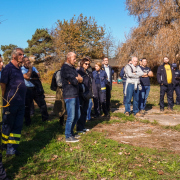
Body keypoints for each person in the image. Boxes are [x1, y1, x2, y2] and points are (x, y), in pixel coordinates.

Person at [0, 48, 27, 156]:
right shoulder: (8, 68)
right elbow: (3, 85)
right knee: (8, 126)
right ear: (14, 56)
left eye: (23, 55)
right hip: (10, 103)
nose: (22, 56)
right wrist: (5, 100)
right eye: (20, 54)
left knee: (18, 126)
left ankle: (12, 149)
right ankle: (4, 145)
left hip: (20, 103)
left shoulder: (19, 69)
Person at [61, 52, 83, 142]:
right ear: (68, 58)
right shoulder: (65, 68)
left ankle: (71, 133)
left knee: (78, 115)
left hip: (75, 94)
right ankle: (68, 135)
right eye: (74, 58)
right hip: (69, 95)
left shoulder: (72, 68)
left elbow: (80, 79)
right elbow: (74, 81)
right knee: (71, 116)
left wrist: (77, 79)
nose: (75, 60)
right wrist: (76, 79)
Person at [21, 56, 49, 126]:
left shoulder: (34, 67)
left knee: (42, 104)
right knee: (27, 106)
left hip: (36, 88)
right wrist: (30, 70)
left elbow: (38, 75)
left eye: (28, 60)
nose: (28, 61)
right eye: (26, 60)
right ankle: (28, 122)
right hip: (28, 89)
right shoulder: (22, 69)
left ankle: (45, 119)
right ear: (23, 62)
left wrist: (32, 73)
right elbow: (27, 78)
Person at [76, 58, 92, 132]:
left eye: (88, 64)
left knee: (85, 111)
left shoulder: (88, 72)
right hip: (81, 94)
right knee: (80, 111)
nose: (87, 65)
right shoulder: (79, 72)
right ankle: (79, 128)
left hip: (87, 94)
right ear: (82, 64)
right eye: (86, 64)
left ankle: (82, 127)